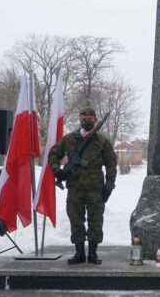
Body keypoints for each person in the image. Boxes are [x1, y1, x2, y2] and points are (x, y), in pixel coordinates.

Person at [49, 107, 117, 265]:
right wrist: (57, 171)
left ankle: (92, 254)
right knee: (76, 221)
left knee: (96, 222)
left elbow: (111, 165)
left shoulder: (102, 141)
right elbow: (53, 153)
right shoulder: (69, 139)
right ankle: (79, 253)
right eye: (84, 119)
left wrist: (109, 187)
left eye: (90, 119)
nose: (86, 122)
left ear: (95, 119)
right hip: (75, 188)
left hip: (96, 189)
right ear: (80, 120)